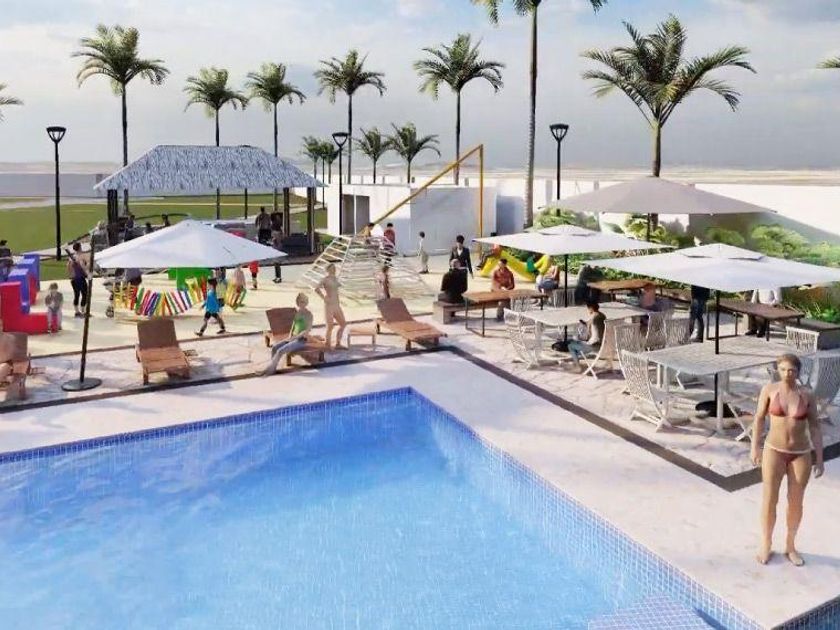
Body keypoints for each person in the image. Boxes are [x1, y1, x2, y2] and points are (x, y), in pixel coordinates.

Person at [751, 354, 824, 566]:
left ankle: (790, 546)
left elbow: (815, 427)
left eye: (791, 370)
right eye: (783, 370)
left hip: (800, 453)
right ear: (778, 370)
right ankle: (766, 543)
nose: (787, 374)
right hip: (774, 450)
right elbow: (759, 419)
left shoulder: (807, 395)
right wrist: (755, 447)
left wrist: (819, 458)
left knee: (796, 502)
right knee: (769, 499)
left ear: (798, 372)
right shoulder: (769, 390)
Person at [260, 292, 314, 376]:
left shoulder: (309, 315)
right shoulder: (298, 312)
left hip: (301, 340)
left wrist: (295, 337)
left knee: (280, 351)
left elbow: (307, 330)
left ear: (306, 302)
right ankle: (272, 367)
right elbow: (293, 325)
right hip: (292, 338)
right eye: (300, 302)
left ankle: (270, 370)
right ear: (297, 303)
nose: (301, 304)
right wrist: (290, 336)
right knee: (274, 348)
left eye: (303, 302)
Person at [315, 263, 347, 350]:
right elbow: (316, 289)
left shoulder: (335, 278)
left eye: (335, 268)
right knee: (330, 326)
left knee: (343, 323)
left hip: (337, 304)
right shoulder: (325, 279)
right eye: (333, 268)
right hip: (329, 305)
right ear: (328, 270)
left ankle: (338, 343)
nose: (335, 269)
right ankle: (327, 344)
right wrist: (324, 298)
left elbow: (338, 289)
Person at [567, 301, 606, 370]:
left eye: (588, 309)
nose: (588, 311)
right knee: (577, 346)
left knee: (571, 346)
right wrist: (586, 323)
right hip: (603, 344)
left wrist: (580, 337)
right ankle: (575, 361)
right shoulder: (602, 316)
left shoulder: (593, 318)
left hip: (594, 345)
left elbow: (588, 335)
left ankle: (577, 366)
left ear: (591, 308)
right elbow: (596, 326)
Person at [66, 242, 89, 318]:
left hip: (74, 279)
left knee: (77, 295)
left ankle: (77, 312)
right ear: (79, 248)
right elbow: (83, 267)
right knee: (84, 294)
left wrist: (72, 274)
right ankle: (83, 311)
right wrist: (88, 274)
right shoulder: (80, 257)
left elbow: (68, 268)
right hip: (80, 279)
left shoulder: (71, 258)